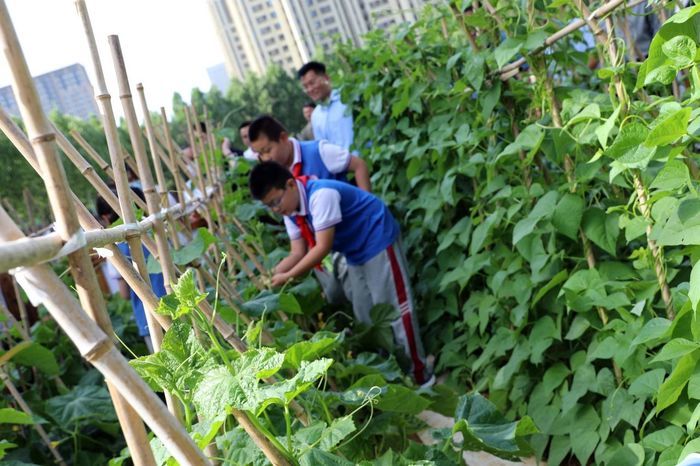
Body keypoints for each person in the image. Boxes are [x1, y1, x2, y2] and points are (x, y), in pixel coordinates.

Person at [249, 161, 431, 385]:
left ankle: (421, 376)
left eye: (276, 201)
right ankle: (396, 375)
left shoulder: (321, 195)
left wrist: (287, 277)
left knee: (395, 310)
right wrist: (269, 275)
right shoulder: (291, 211)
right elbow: (297, 252)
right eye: (270, 206)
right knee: (365, 314)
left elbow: (322, 247)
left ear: (290, 184)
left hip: (376, 239)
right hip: (353, 251)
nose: (276, 209)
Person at [96, 188, 166, 352]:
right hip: (178, 302)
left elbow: (125, 294)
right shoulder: (157, 231)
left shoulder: (116, 249)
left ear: (105, 217)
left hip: (148, 315)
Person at [248, 115, 370, 191]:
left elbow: (359, 166)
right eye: (260, 154)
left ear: (283, 138)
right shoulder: (276, 174)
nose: (266, 158)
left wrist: (367, 206)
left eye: (267, 150)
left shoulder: (319, 151)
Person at [298, 61, 354, 150]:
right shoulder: (316, 116)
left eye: (312, 83)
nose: (310, 89)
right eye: (305, 87)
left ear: (326, 78)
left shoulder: (347, 97)